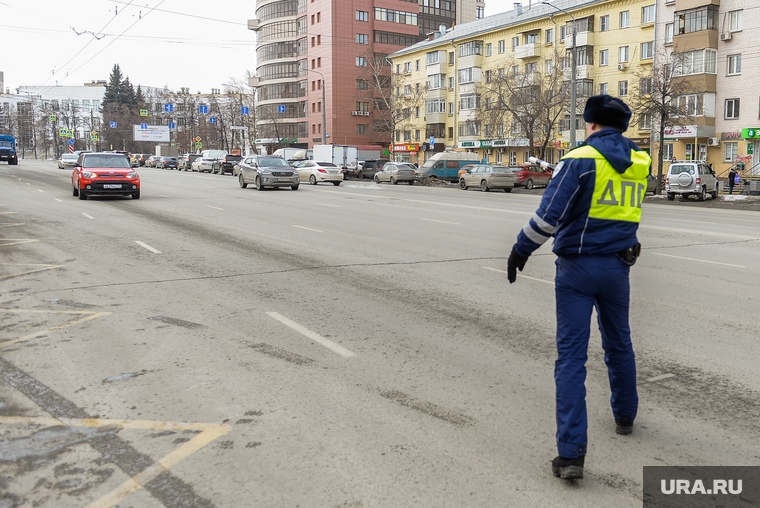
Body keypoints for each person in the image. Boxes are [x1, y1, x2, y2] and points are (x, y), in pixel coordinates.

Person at [507, 95, 651, 480]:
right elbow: (626, 211)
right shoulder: (641, 161)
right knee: (619, 342)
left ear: (590, 124)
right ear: (621, 126)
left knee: (571, 358)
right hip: (619, 266)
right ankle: (625, 416)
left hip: (577, 269)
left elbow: (548, 218)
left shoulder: (579, 159)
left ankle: (571, 455)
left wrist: (520, 250)